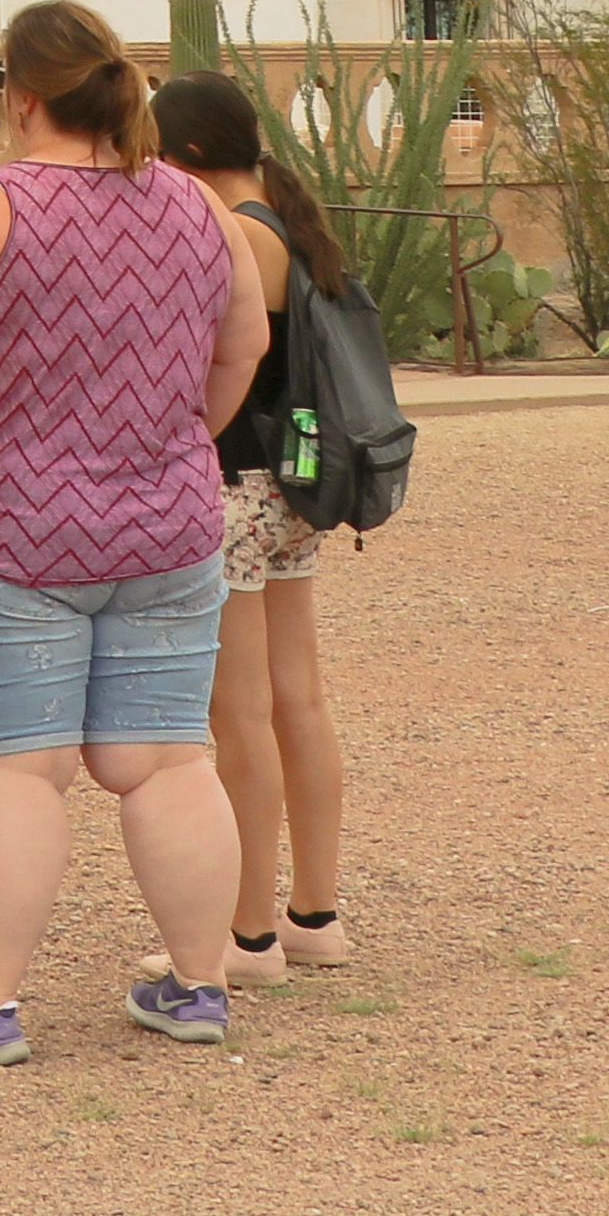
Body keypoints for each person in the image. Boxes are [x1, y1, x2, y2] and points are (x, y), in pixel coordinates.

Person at [0, 0, 275, 1063]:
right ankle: (198, 986)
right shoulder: (198, 207)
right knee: (167, 760)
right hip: (164, 525)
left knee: (18, 768)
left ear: (19, 96)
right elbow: (242, 347)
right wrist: (177, 433)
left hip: (8, 526)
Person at [148, 69, 360, 990]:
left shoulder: (231, 232)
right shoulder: (288, 223)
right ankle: (314, 911)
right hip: (292, 487)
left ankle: (248, 934)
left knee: (237, 713)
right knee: (296, 697)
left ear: (189, 153)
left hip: (232, 485)